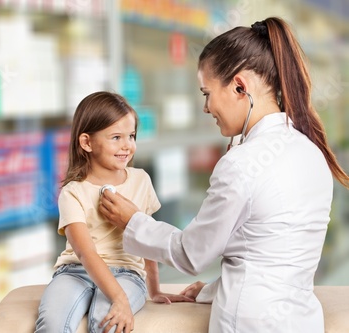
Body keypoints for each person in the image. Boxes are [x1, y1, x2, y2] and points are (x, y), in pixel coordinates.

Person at [99, 17, 349, 333]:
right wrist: (209, 290)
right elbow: (269, 255)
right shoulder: (312, 153)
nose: (206, 107)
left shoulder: (242, 163)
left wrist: (132, 220)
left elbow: (191, 253)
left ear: (240, 86)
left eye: (207, 93)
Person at [35, 91, 190, 333]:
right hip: (76, 271)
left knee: (106, 322)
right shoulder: (73, 192)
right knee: (51, 325)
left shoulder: (141, 180)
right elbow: (85, 253)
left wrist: (154, 289)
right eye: (116, 137)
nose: (127, 145)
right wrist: (119, 297)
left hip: (127, 273)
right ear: (86, 142)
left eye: (131, 136)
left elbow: (147, 237)